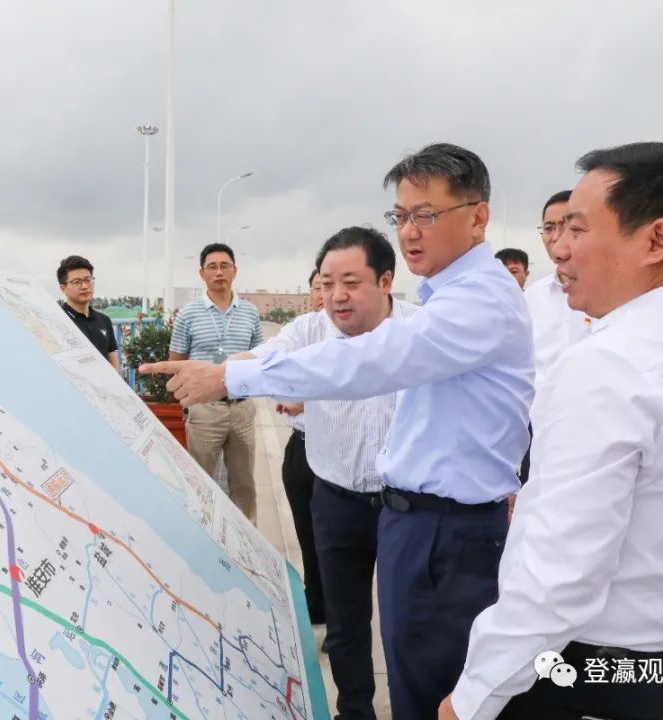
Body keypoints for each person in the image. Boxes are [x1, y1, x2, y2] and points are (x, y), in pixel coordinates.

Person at [141, 143, 534, 720]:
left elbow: (368, 361)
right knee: (387, 653)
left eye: (426, 215)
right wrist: (233, 371)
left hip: (447, 530)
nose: (410, 230)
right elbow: (295, 355)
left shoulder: (471, 304)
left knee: (433, 682)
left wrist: (228, 376)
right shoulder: (439, 302)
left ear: (478, 217)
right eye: (400, 216)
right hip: (394, 514)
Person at [441, 141, 663, 720]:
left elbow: (560, 578)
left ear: (657, 241)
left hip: (587, 677)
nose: (560, 249)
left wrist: (472, 699)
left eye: (577, 228)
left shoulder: (611, 364)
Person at [241, 227, 417, 720]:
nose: (337, 295)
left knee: (409, 621)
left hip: (407, 504)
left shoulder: (420, 331)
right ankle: (354, 710)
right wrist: (219, 373)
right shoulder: (308, 331)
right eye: (327, 282)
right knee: (345, 623)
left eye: (351, 282)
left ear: (386, 281)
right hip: (337, 499)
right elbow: (264, 359)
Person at [168, 243, 264, 522]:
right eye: (212, 267)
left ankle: (247, 541)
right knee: (199, 482)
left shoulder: (250, 313)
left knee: (244, 484)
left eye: (225, 266)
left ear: (235, 270)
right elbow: (176, 362)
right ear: (202, 273)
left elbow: (260, 358)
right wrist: (187, 402)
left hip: (242, 409)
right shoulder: (188, 314)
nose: (219, 272)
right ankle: (200, 534)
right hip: (204, 410)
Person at [514, 191, 591, 484]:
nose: (557, 236)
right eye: (549, 227)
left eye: (568, 226)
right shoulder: (530, 299)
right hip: (538, 437)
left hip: (592, 434)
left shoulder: (609, 296)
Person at [271, 268, 327, 626]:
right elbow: (273, 364)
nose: (325, 294)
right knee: (306, 533)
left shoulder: (361, 335)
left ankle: (336, 608)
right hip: (301, 447)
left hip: (336, 453)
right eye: (319, 287)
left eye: (331, 285)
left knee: (332, 537)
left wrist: (305, 401)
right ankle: (315, 601)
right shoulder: (301, 331)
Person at [56, 255, 119, 370]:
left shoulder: (104, 320)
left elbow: (112, 356)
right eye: (77, 282)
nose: (85, 286)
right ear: (63, 288)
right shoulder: (56, 321)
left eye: (88, 280)